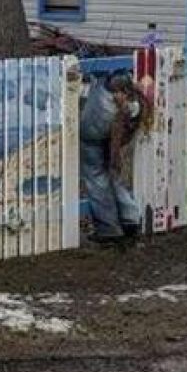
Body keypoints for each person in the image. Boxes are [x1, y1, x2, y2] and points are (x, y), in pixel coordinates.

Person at [79, 73, 144, 245]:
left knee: (96, 173)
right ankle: (130, 218)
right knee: (114, 172)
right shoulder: (136, 97)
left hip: (103, 107)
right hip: (121, 111)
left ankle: (109, 228)